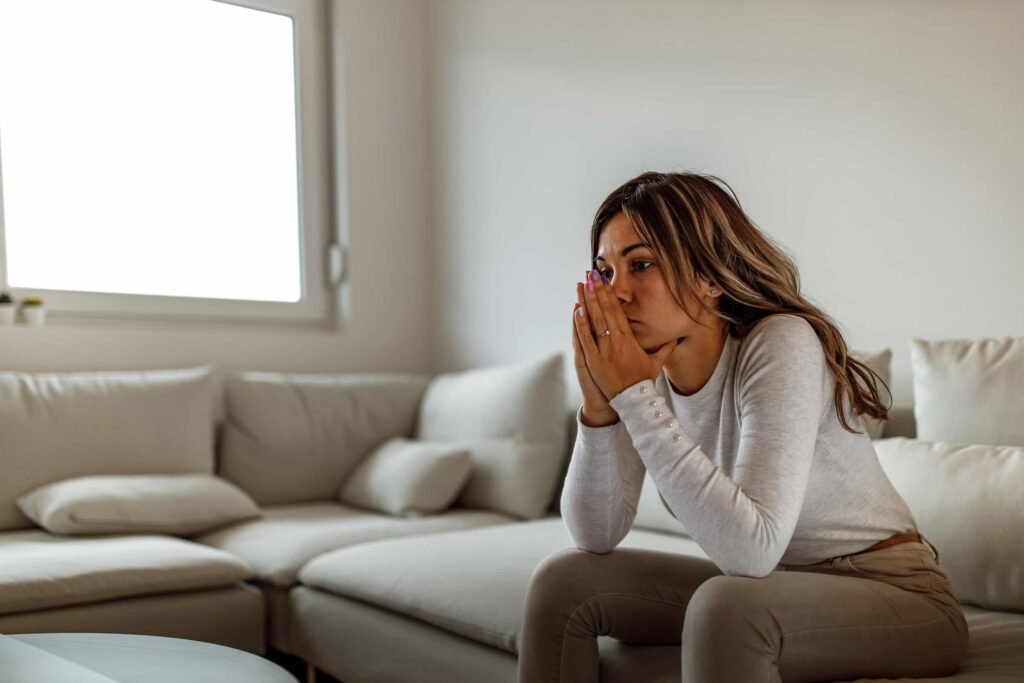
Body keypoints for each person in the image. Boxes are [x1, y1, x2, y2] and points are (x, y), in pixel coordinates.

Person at [516, 172, 968, 683]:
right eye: (605, 272)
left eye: (640, 265)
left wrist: (633, 399)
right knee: (564, 580)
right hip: (777, 586)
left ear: (710, 277)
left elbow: (751, 551)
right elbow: (594, 534)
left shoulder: (780, 342)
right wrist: (600, 406)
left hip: (899, 595)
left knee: (725, 604)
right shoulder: (645, 376)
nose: (617, 293)